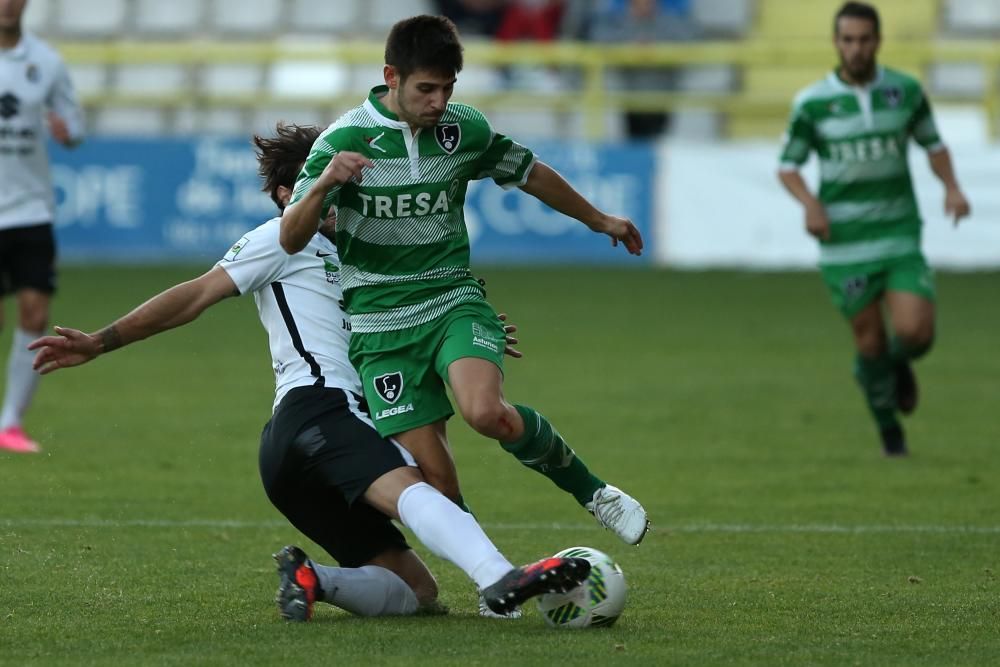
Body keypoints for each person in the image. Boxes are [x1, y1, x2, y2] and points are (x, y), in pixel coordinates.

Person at [28, 123, 590, 622]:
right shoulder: (279, 240)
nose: (337, 192)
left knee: (417, 591)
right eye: (318, 181)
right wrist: (101, 342)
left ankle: (313, 579)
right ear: (284, 195)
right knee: (424, 489)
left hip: (294, 455)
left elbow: (415, 316)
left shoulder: (367, 248)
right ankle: (499, 576)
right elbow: (195, 294)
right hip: (321, 407)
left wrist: (465, 328)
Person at [280, 15, 650, 545]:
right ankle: (495, 581)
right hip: (379, 326)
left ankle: (596, 493)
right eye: (426, 89)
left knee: (484, 414)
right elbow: (292, 238)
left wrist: (599, 219)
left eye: (447, 88)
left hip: (451, 299)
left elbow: (530, 171)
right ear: (392, 77)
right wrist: (323, 187)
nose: (438, 102)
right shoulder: (343, 142)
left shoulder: (463, 129)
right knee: (438, 482)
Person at [777, 2, 971, 456]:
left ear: (878, 42)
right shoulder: (812, 102)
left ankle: (894, 366)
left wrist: (953, 188)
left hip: (899, 233)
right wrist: (810, 204)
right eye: (848, 40)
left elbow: (934, 145)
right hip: (844, 242)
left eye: (864, 40)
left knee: (917, 333)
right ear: (836, 43)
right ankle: (891, 436)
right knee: (869, 340)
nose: (856, 48)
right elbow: (788, 166)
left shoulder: (905, 91)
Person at [0, 0, 84, 453]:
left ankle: (9, 422)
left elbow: (75, 126)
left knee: (34, 315)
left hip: (31, 210)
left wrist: (65, 130)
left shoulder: (46, 62)